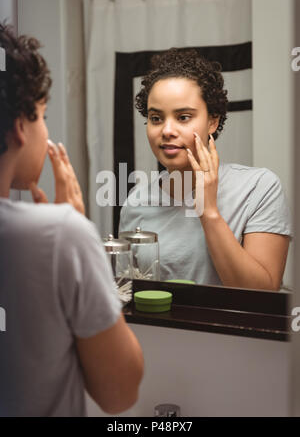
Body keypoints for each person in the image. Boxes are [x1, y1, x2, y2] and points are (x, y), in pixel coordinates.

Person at [0, 23, 143, 417]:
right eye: (43, 115)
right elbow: (120, 394)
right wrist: (75, 235)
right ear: (19, 128)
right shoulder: (58, 235)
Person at [119, 48, 293, 291]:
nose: (167, 130)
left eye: (183, 117)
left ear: (213, 121)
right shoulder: (135, 203)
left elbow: (261, 294)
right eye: (156, 118)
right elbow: (133, 294)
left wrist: (208, 211)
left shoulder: (259, 188)